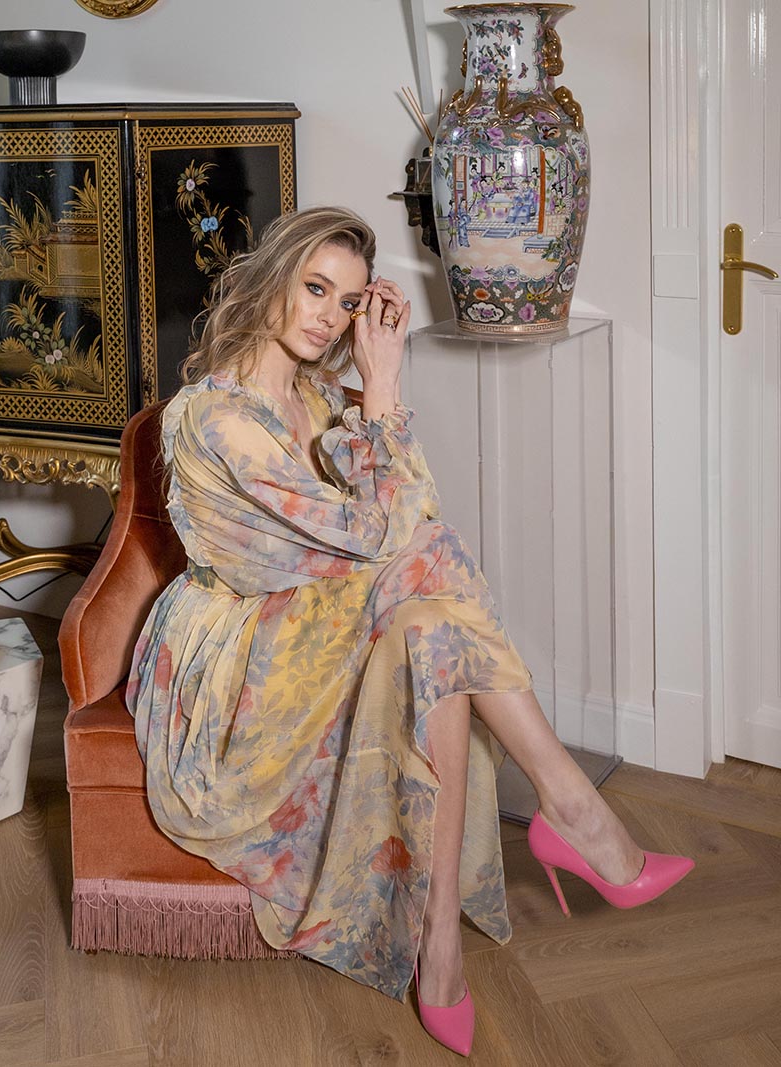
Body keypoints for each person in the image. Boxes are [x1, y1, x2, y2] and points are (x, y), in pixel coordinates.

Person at [126, 206, 693, 1058]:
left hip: (322, 618)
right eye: (316, 288)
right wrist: (385, 389)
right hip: (235, 659)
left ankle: (439, 942)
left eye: (349, 302)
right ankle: (573, 809)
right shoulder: (217, 419)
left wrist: (371, 394)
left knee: (431, 632)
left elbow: (413, 507)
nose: (330, 317)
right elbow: (384, 535)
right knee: (424, 566)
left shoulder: (316, 396)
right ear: (272, 279)